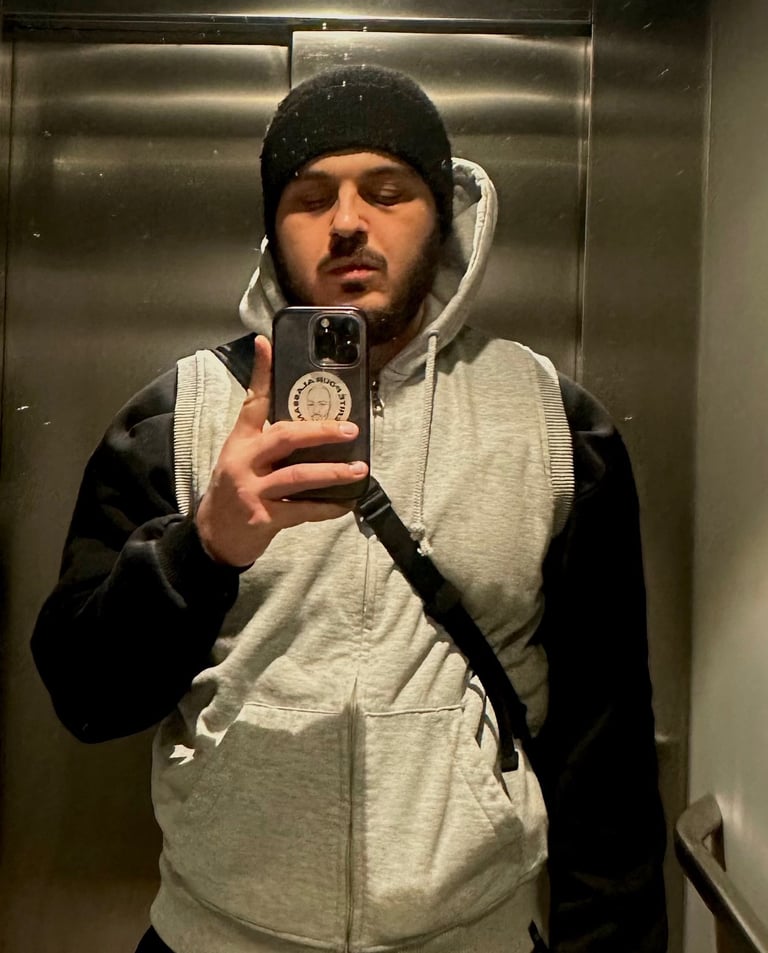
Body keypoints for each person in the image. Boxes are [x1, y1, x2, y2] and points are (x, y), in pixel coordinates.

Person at [32, 65, 668, 953]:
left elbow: (607, 747)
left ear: (442, 216)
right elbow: (86, 696)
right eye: (310, 196)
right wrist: (203, 550)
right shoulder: (173, 417)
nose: (346, 222)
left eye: (387, 190)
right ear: (274, 228)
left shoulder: (556, 425)